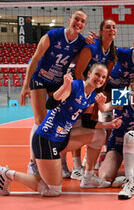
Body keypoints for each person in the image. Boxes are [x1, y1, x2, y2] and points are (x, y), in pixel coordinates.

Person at [0, 64, 123, 197]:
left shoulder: (91, 96)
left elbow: (87, 123)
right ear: (89, 74)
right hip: (46, 139)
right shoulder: (75, 86)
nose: (100, 79)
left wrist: (109, 124)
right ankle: (7, 174)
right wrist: (64, 87)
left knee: (99, 135)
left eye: (103, 77)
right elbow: (50, 104)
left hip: (63, 138)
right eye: (97, 74)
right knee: (53, 190)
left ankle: (88, 177)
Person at [19, 10, 89, 177]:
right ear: (69, 19)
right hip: (40, 78)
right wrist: (25, 85)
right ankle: (32, 163)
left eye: (82, 21)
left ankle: (62, 163)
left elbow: (88, 54)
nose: (78, 23)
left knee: (61, 120)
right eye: (76, 19)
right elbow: (35, 59)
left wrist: (92, 42)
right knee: (40, 120)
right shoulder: (53, 35)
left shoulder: (81, 42)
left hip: (57, 81)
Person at [66, 19, 117, 180]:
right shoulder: (91, 46)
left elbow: (105, 76)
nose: (111, 29)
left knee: (90, 125)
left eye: (113, 27)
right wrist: (84, 93)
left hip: (94, 91)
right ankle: (76, 166)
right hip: (80, 90)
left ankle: (87, 161)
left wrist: (95, 96)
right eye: (107, 27)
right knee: (77, 124)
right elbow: (79, 72)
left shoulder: (111, 53)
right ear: (101, 31)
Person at [98, 75, 134, 181]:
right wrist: (100, 103)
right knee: (106, 177)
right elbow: (105, 108)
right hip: (117, 143)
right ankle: (106, 157)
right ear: (131, 85)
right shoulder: (122, 95)